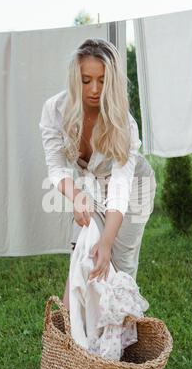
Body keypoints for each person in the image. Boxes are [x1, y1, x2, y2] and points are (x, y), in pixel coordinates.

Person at [39, 38, 156, 311]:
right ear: (74, 79)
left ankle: (118, 340)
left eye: (102, 80)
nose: (94, 89)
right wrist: (77, 195)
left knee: (119, 263)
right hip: (89, 186)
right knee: (82, 252)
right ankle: (70, 337)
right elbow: (56, 168)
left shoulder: (123, 123)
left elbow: (119, 189)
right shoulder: (55, 111)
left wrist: (106, 241)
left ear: (112, 81)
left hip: (133, 188)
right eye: (86, 80)